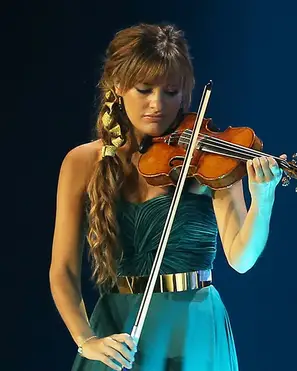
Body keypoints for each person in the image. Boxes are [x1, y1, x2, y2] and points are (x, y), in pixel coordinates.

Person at [49, 23, 284, 371]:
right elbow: (63, 270)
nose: (157, 104)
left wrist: (263, 200)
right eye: (144, 90)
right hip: (117, 328)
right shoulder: (82, 162)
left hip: (195, 326)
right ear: (118, 87)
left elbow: (241, 257)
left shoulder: (210, 158)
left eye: (171, 92)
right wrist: (87, 340)